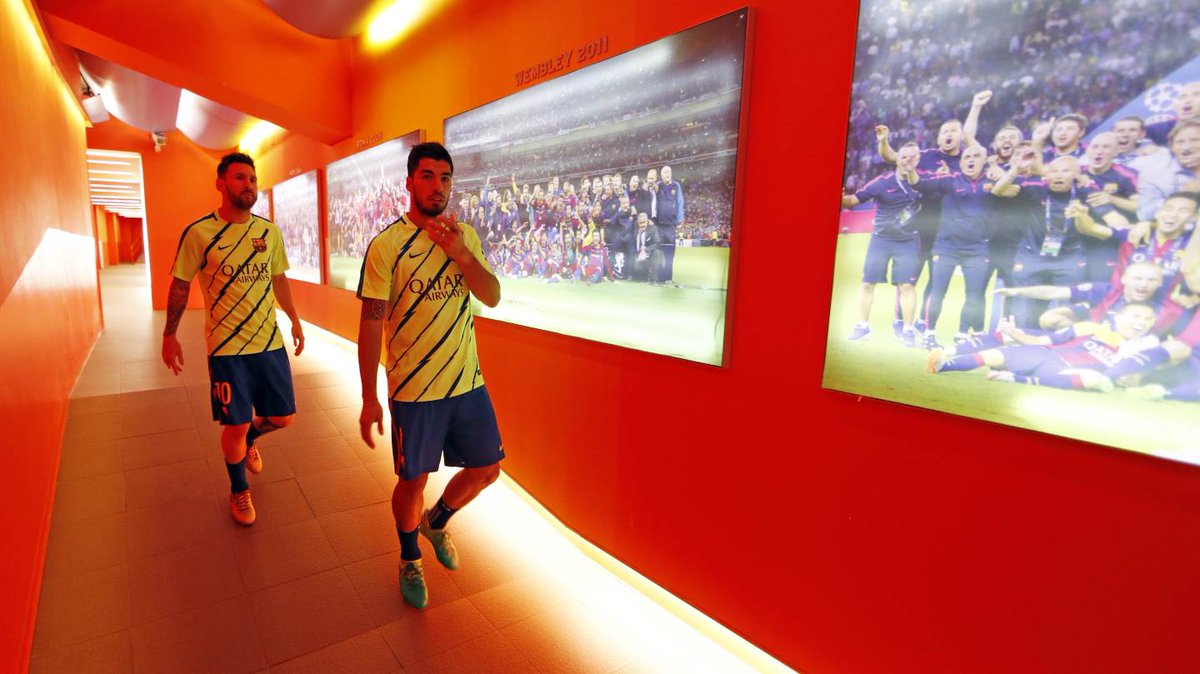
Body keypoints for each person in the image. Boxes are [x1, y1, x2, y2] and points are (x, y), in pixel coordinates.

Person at [356, 142, 504, 610]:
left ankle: (436, 522)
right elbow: (370, 324)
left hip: (467, 383)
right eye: (427, 176)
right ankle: (409, 557)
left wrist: (462, 254)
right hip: (414, 390)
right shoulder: (387, 246)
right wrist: (369, 396)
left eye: (444, 177)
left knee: (488, 469)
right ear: (409, 183)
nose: (437, 186)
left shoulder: (466, 236)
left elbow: (492, 295)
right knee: (413, 481)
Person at [161, 152, 305, 526]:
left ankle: (251, 439)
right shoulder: (199, 233)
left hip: (269, 342)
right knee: (235, 424)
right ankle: (239, 489)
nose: (248, 185)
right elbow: (180, 284)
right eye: (240, 178)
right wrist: (170, 334)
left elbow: (278, 279)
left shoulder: (269, 232)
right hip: (227, 347)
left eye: (252, 179)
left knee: (284, 418)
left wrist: (294, 318)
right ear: (220, 183)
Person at [840, 141, 922, 345]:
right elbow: (854, 200)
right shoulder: (881, 182)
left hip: (908, 240)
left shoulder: (924, 183)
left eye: (912, 157)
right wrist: (840, 197)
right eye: (904, 157)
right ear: (897, 159)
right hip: (881, 239)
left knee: (907, 286)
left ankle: (908, 330)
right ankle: (862, 326)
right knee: (868, 283)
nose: (908, 161)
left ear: (918, 159)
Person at [1136, 120, 1200, 222]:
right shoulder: (1153, 174)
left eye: (1195, 140)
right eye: (1180, 142)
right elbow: (1144, 214)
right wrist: (1181, 195)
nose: (1187, 147)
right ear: (1172, 148)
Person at [655, 165, 684, 284]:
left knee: (670, 253)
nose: (668, 174)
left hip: (671, 226)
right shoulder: (658, 185)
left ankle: (668, 278)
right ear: (661, 175)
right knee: (659, 252)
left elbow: (680, 202)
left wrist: (680, 220)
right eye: (665, 172)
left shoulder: (676, 186)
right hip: (659, 226)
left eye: (669, 172)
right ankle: (659, 277)